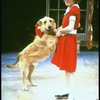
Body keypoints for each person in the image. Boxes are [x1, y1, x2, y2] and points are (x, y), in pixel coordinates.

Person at [51, 0, 81, 99]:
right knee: (66, 69)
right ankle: (67, 92)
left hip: (69, 40)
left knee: (70, 70)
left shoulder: (74, 9)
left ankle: (73, 96)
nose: (66, 0)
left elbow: (71, 27)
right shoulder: (71, 8)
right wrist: (61, 28)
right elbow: (78, 24)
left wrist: (60, 31)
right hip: (67, 39)